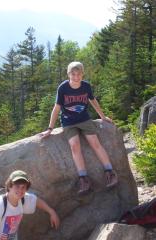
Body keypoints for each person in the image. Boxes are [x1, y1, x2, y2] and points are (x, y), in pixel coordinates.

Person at [40, 61, 118, 195]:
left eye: (79, 74)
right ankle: (83, 178)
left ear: (82, 74)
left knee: (95, 142)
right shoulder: (63, 87)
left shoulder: (86, 86)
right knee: (74, 146)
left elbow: (93, 101)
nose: (76, 77)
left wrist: (102, 116)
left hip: (84, 119)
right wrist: (50, 128)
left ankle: (110, 172)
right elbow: (57, 107)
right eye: (73, 74)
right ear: (68, 74)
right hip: (68, 121)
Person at [0, 170, 60, 240]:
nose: (20, 190)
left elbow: (36, 201)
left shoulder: (22, 199)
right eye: (17, 186)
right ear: (9, 186)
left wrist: (51, 212)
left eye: (23, 187)